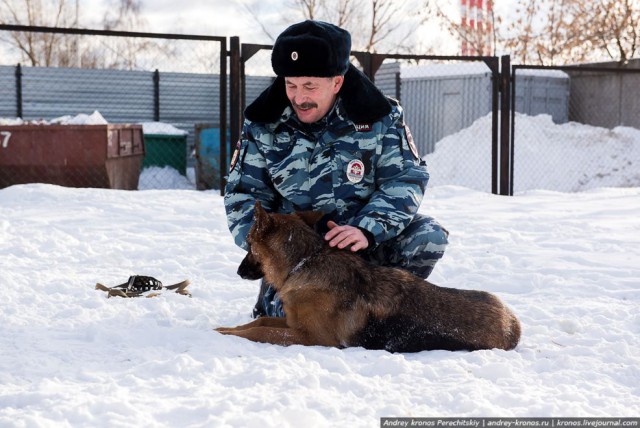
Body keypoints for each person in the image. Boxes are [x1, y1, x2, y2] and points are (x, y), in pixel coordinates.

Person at [224, 20, 448, 318]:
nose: (299, 97)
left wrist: (367, 229)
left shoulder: (380, 116)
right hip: (297, 257)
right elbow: (243, 194)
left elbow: (404, 179)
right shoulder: (263, 122)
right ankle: (282, 300)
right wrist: (270, 244)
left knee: (428, 235)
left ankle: (380, 310)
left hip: (362, 245)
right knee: (291, 321)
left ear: (337, 82)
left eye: (310, 86)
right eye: (290, 84)